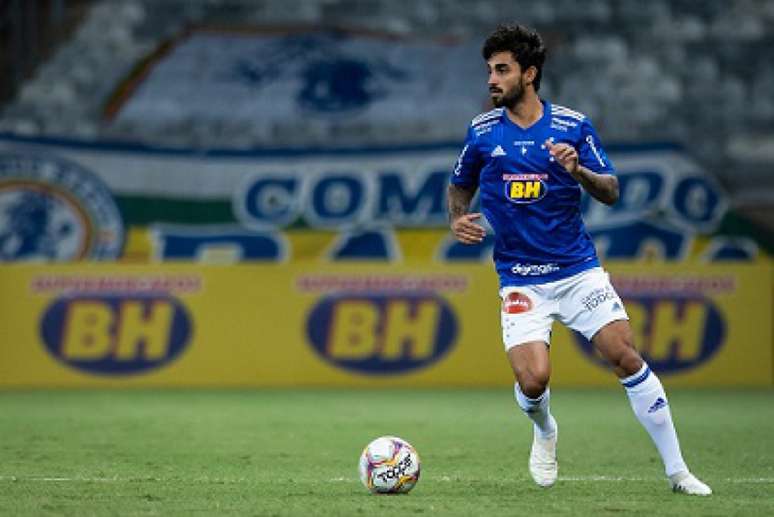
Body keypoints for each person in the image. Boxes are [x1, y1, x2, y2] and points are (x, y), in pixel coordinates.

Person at [447, 23, 711, 495]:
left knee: (624, 356)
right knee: (534, 381)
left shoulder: (572, 126)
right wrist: (457, 217)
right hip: (521, 279)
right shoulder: (482, 131)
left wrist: (578, 169)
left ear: (528, 75)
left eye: (501, 70)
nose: (492, 79)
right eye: (489, 70)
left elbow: (610, 190)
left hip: (577, 272)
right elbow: (460, 181)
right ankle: (545, 429)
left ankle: (678, 472)